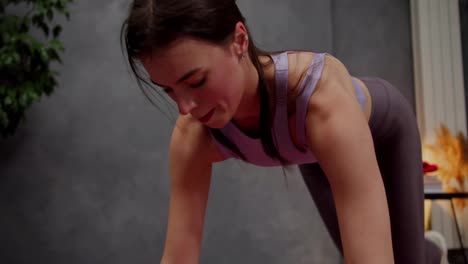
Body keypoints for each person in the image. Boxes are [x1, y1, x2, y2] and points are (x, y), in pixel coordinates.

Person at [120, 0, 444, 263]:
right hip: (313, 151)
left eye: (196, 82)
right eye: (169, 90)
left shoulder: (322, 105)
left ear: (239, 41)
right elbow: (178, 258)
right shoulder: (193, 135)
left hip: (385, 132)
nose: (185, 106)